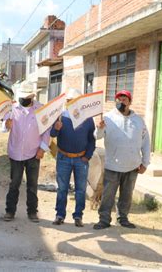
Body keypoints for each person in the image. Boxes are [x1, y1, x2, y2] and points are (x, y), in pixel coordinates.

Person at [93, 90, 150, 230]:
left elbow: (146, 142)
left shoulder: (138, 120)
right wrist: (99, 128)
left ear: (130, 102)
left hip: (132, 166)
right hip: (113, 165)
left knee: (126, 195)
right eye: (119, 99)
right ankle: (104, 220)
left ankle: (122, 219)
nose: (122, 102)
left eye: (125, 99)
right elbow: (97, 136)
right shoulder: (107, 118)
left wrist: (145, 162)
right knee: (108, 195)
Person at [3, 80, 50, 223]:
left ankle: (32, 212)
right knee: (14, 183)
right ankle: (10, 211)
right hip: (15, 152)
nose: (23, 99)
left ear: (32, 97)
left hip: (34, 153)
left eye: (26, 97)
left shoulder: (41, 109)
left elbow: (46, 130)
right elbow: (4, 126)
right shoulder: (12, 108)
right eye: (22, 97)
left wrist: (42, 148)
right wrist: (7, 124)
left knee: (32, 184)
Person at [50, 88, 96, 227]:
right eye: (69, 101)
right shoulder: (61, 116)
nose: (71, 103)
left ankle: (78, 216)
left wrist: (87, 156)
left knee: (80, 189)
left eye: (74, 101)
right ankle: (60, 215)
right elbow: (52, 134)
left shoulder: (87, 119)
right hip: (63, 157)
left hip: (80, 159)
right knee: (62, 188)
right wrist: (56, 128)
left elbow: (91, 140)